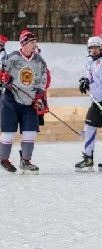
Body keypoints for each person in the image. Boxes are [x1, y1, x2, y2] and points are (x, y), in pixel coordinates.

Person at [0, 30, 47, 174]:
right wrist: (4, 78)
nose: (34, 45)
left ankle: (25, 160)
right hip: (11, 99)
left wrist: (39, 98)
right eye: (32, 42)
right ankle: (3, 159)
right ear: (24, 44)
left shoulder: (39, 61)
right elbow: (2, 72)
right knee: (8, 132)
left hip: (29, 102)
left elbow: (42, 80)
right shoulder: (13, 57)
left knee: (30, 132)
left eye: (35, 43)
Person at [74, 36, 102, 172]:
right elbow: (90, 76)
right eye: (91, 48)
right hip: (98, 100)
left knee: (89, 127)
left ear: (101, 47)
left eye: (96, 47)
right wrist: (85, 81)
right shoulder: (93, 61)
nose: (93, 50)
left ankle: (88, 158)